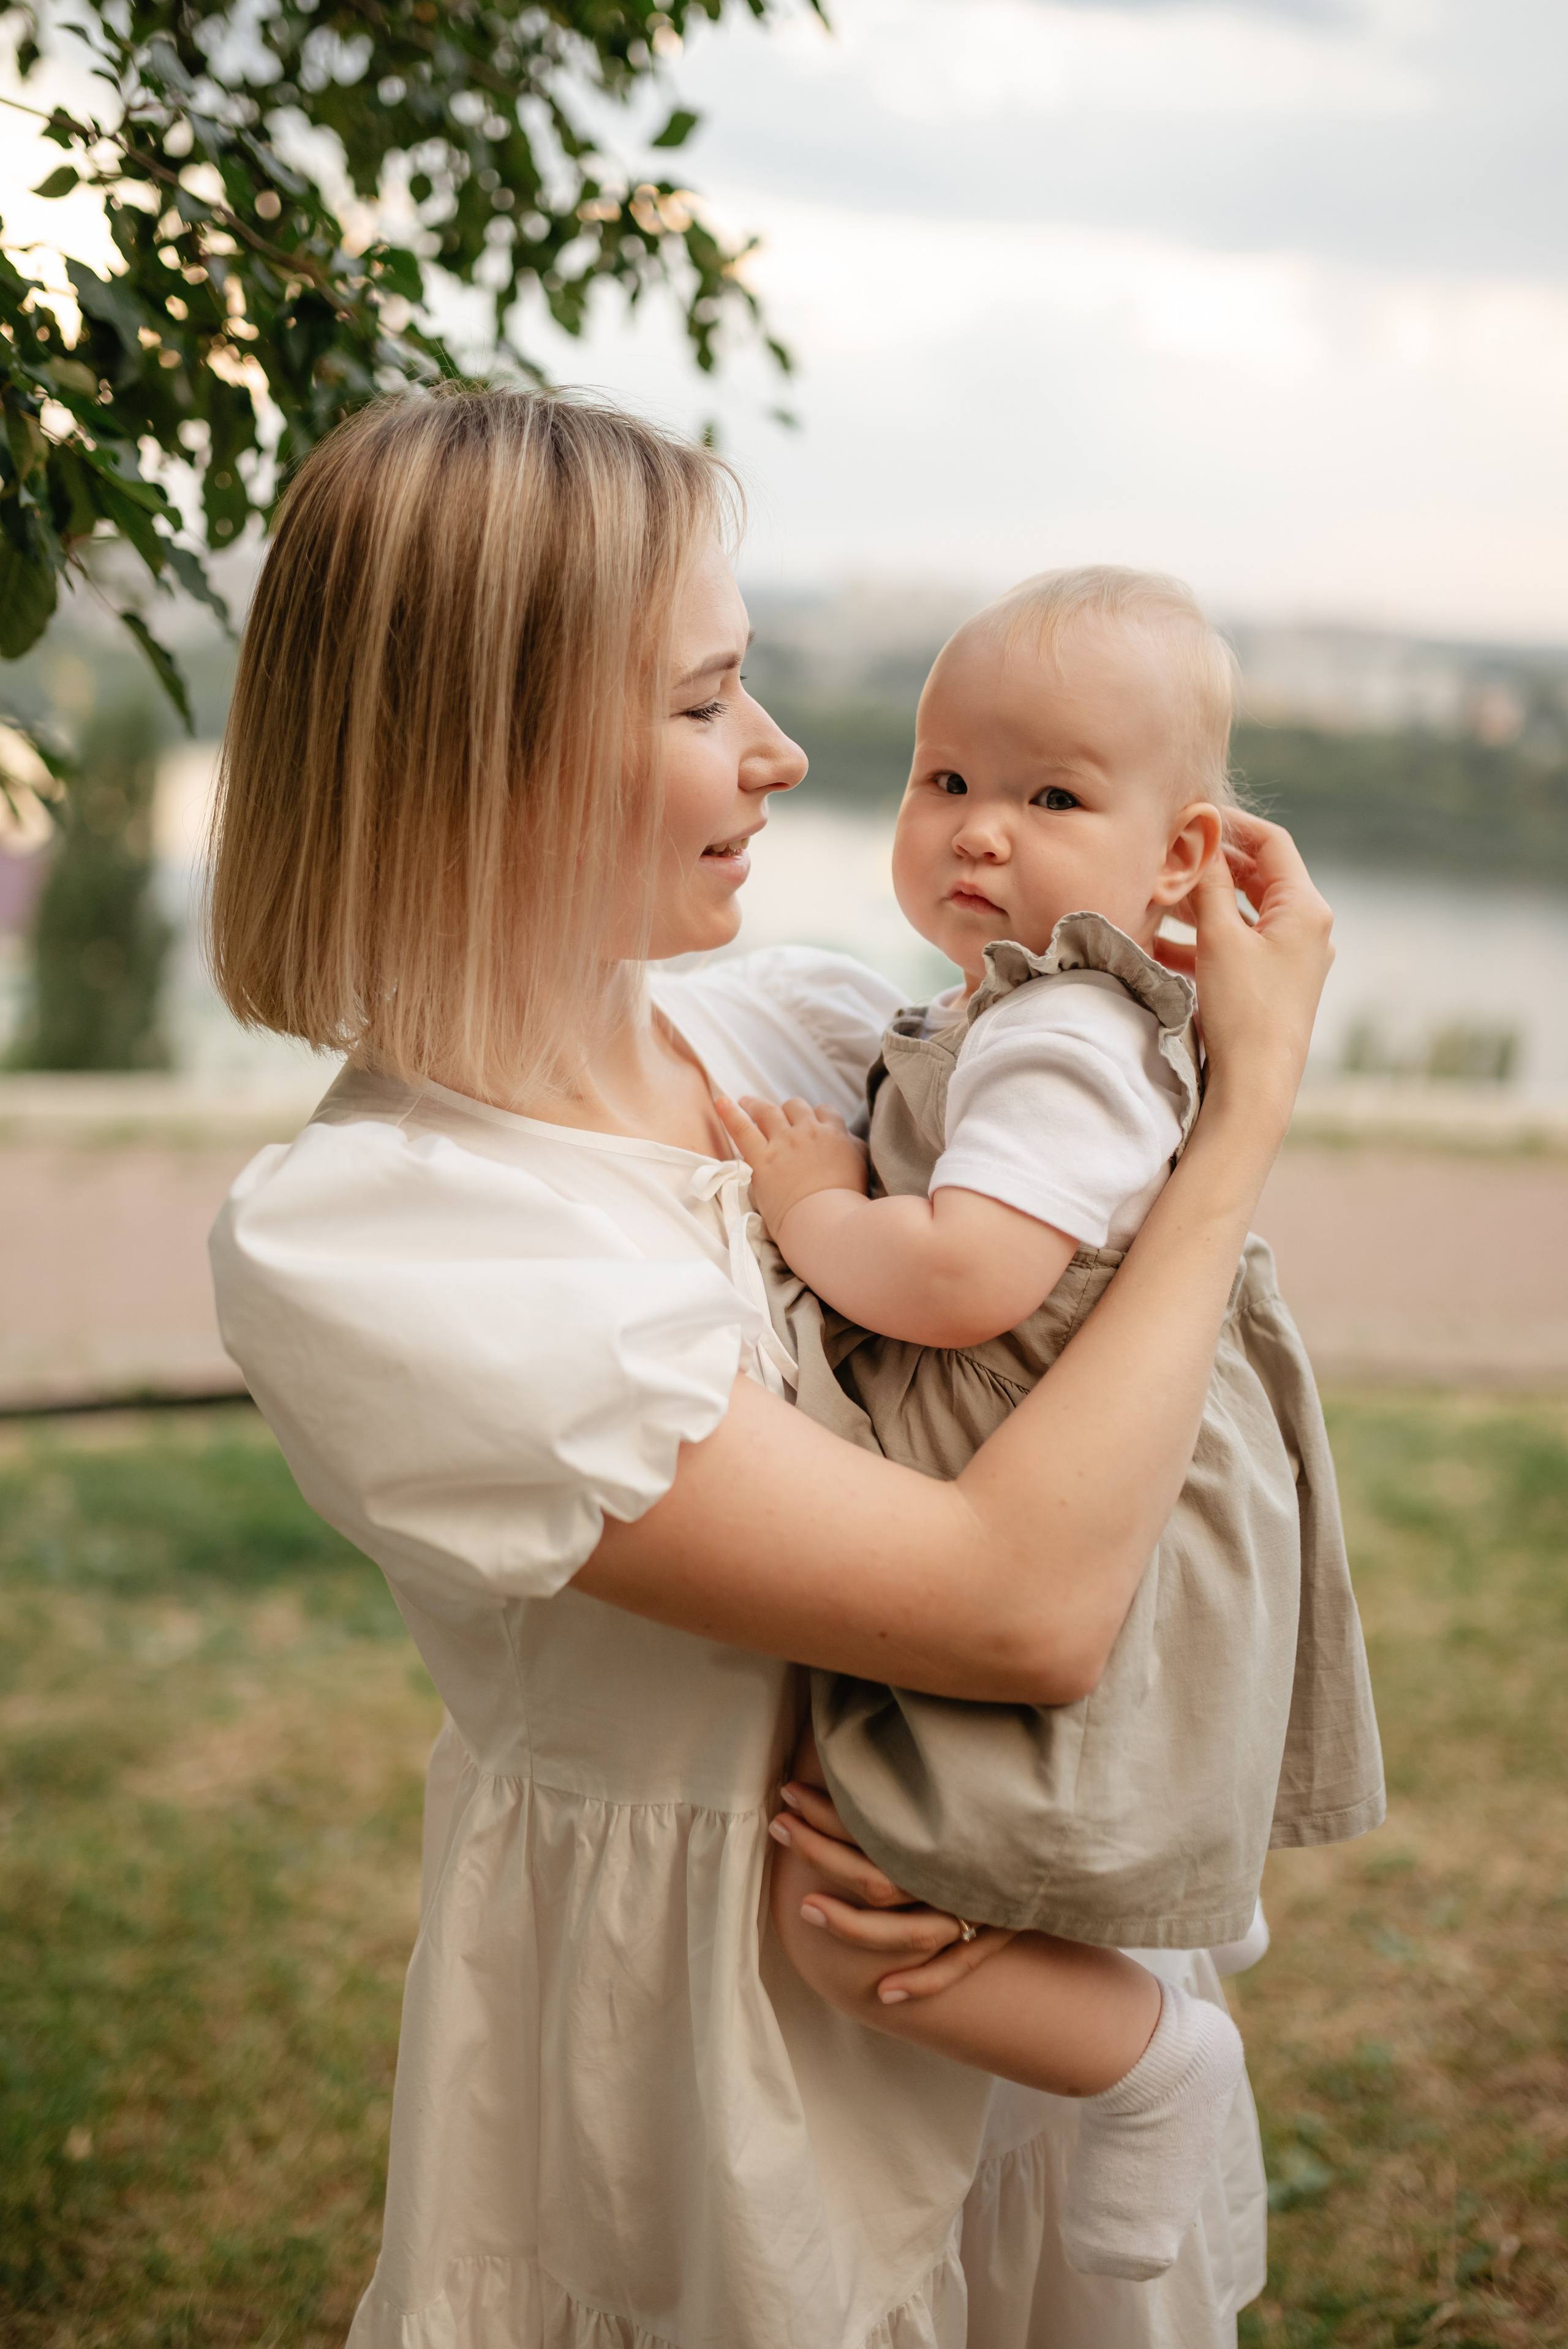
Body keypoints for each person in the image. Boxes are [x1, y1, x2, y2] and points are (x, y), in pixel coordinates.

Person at [206, 382, 1336, 2349]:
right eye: (705, 698)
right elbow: (1020, 1606)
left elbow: (1080, 1291)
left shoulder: (809, 1033)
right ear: (492, 756)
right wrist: (1245, 1121)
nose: (785, 752)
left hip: (1002, 1936)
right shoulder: (387, 1233)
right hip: (717, 2049)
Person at [715, 567, 1383, 2283]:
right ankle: (1131, 1958)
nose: (980, 829)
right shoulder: (1013, 1013)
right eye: (946, 777)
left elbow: (961, 1280)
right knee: (908, 1861)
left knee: (858, 1902)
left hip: (1054, 1466)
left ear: (1183, 856)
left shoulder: (1070, 1030)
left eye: (1053, 796)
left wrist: (810, 1200)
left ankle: (1152, 2059)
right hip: (1052, 1458)